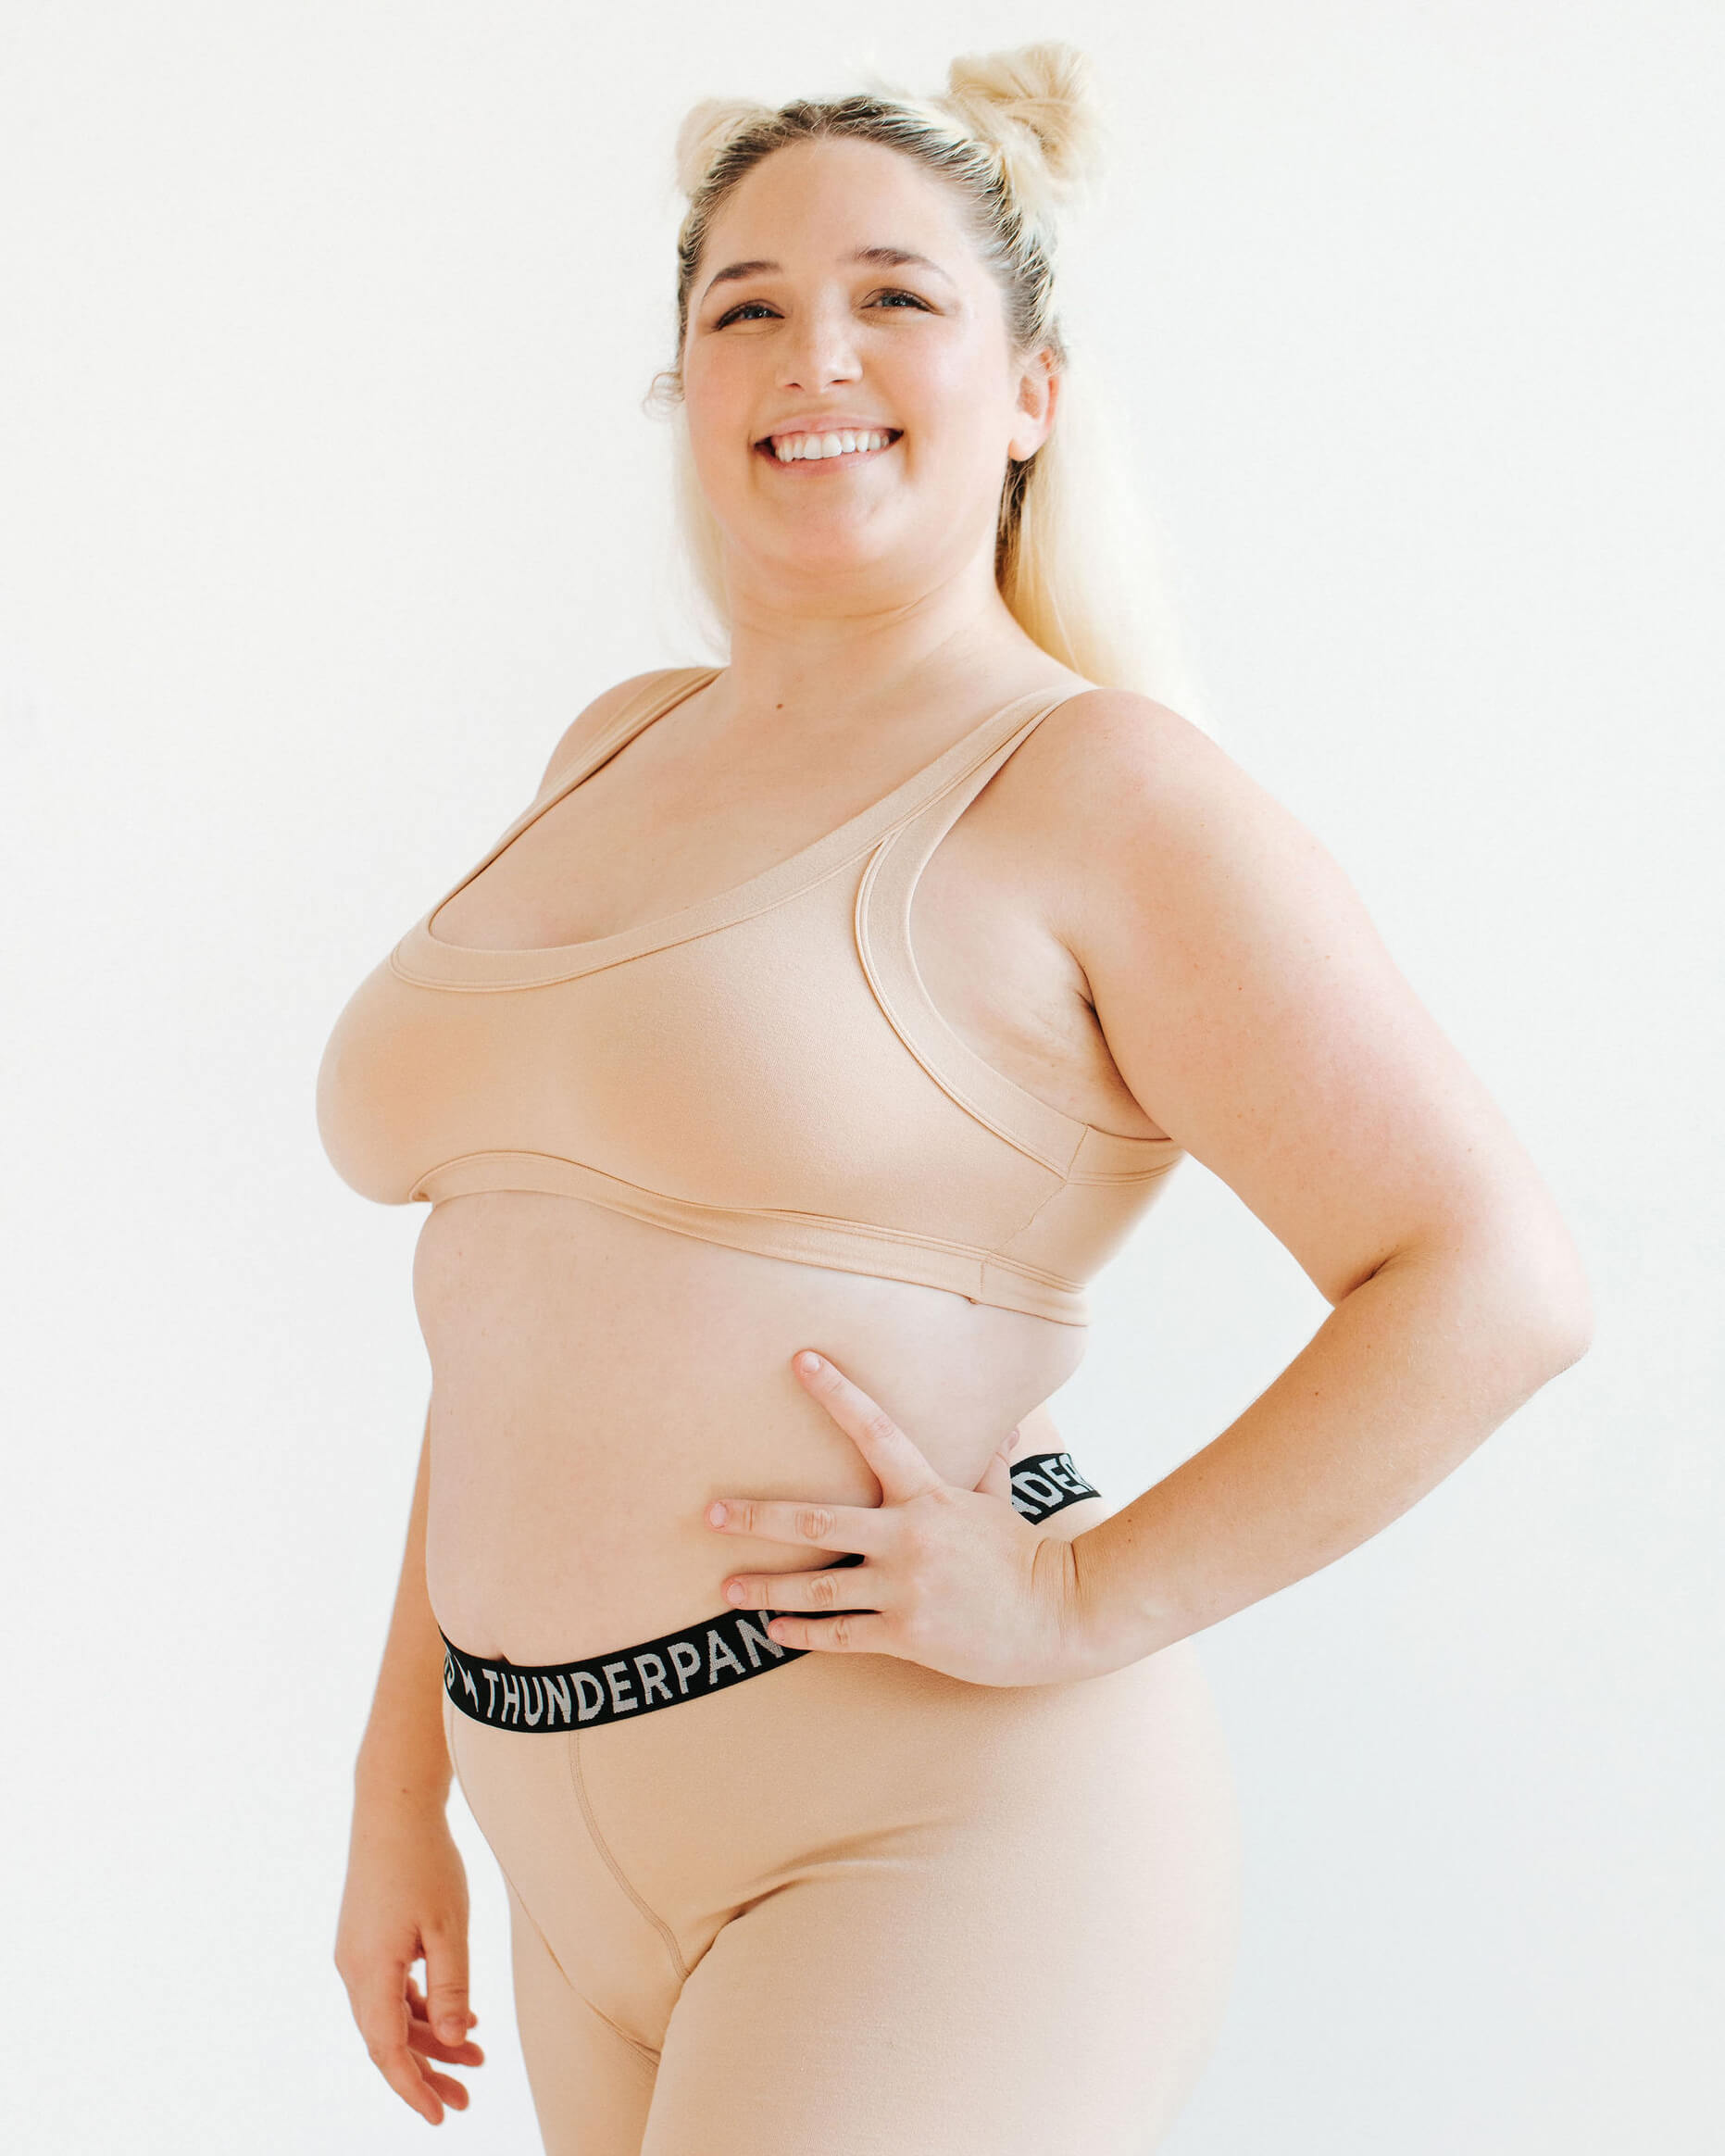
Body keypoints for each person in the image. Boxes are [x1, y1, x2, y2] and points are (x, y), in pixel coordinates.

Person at [315, 43, 1591, 2156]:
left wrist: (1079, 1599)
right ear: (683, 392)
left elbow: (1489, 1280)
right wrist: (399, 1790)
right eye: (743, 307)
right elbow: (511, 1304)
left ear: (1029, 394)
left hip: (927, 1833)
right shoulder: (609, 751)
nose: (812, 351)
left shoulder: (1096, 791)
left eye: (895, 296)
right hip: (555, 1848)